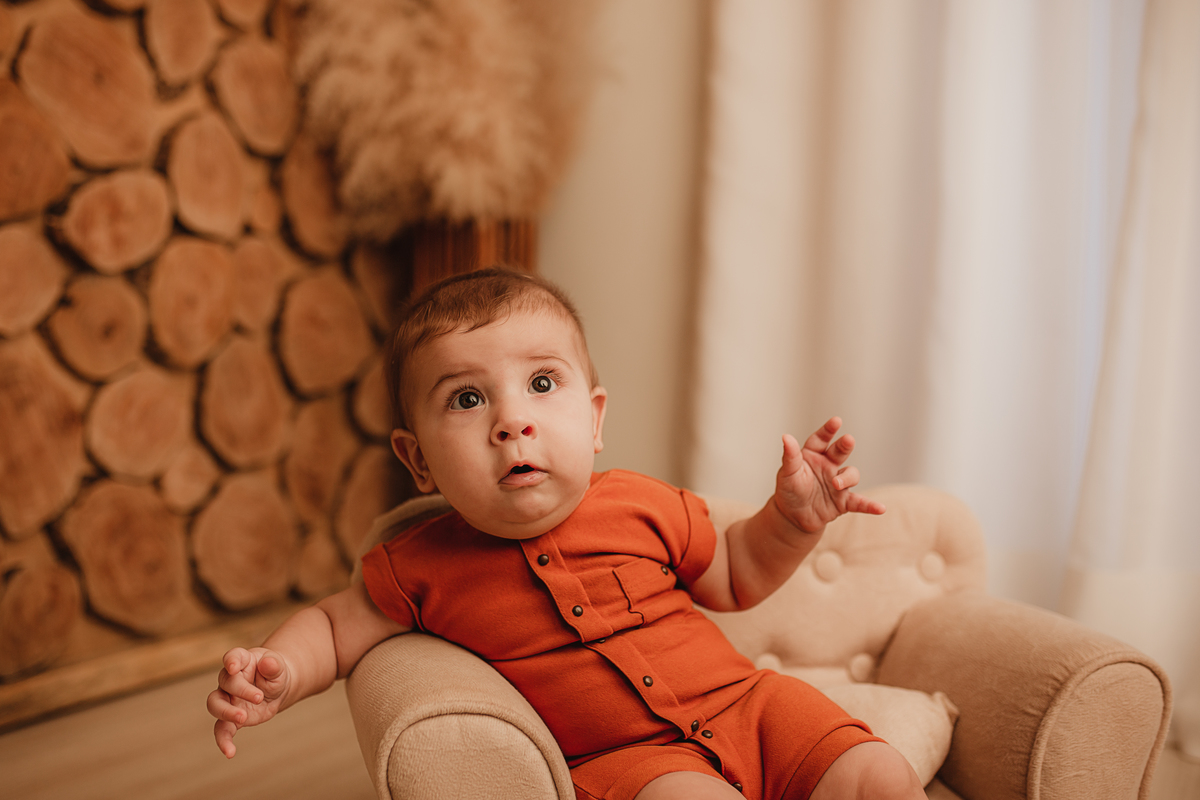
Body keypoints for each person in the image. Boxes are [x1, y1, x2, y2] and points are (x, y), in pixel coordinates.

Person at [207, 267, 926, 800]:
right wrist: (277, 673)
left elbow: (736, 571)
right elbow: (334, 631)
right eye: (466, 398)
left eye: (543, 384)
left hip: (754, 707)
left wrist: (793, 522)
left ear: (595, 418)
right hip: (633, 764)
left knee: (879, 776)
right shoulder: (420, 564)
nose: (511, 421)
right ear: (418, 460)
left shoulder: (641, 503)